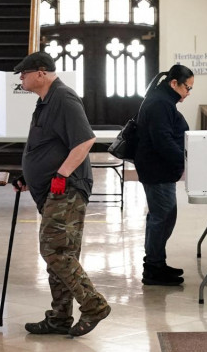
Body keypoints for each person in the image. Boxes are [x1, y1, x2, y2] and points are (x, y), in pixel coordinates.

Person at [12, 51, 111, 337]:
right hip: (52, 189)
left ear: (41, 72)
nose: (21, 78)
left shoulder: (64, 97)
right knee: (60, 252)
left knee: (55, 251)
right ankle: (59, 317)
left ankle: (94, 305)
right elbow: (48, 144)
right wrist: (29, 175)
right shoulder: (46, 100)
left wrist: (61, 174)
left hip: (67, 189)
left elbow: (86, 140)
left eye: (24, 73)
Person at [133, 64, 193, 287]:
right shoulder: (160, 103)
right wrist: (185, 161)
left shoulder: (162, 100)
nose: (188, 93)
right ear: (174, 83)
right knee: (162, 218)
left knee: (163, 216)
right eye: (187, 88)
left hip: (159, 169)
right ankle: (153, 269)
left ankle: (157, 262)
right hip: (157, 170)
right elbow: (163, 140)